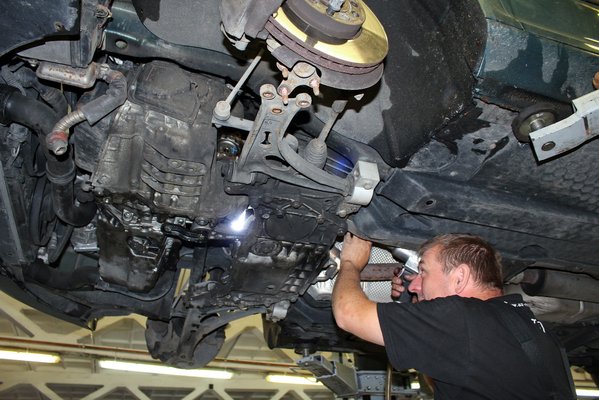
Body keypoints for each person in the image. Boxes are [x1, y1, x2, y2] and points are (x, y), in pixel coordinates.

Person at [332, 232, 575, 400]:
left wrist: (351, 262)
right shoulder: (530, 328)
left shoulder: (461, 317)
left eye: (423, 272)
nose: (414, 285)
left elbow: (348, 314)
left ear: (459, 278)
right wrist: (419, 306)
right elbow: (446, 378)